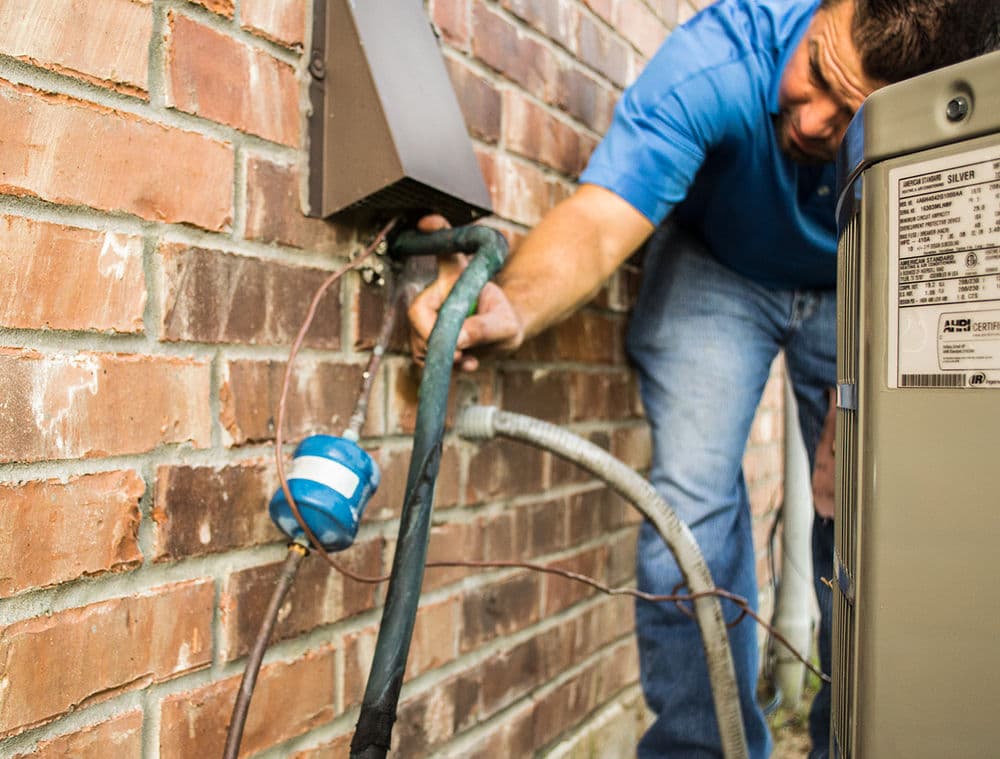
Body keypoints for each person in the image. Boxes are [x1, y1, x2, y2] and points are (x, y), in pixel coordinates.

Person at [409, 0, 999, 756]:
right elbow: (598, 222)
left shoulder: (956, 121)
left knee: (876, 511)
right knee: (688, 503)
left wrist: (874, 422)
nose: (816, 122)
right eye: (816, 72)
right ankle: (702, 744)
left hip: (861, 276)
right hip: (720, 262)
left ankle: (857, 741)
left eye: (852, 116)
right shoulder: (721, 59)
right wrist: (511, 307)